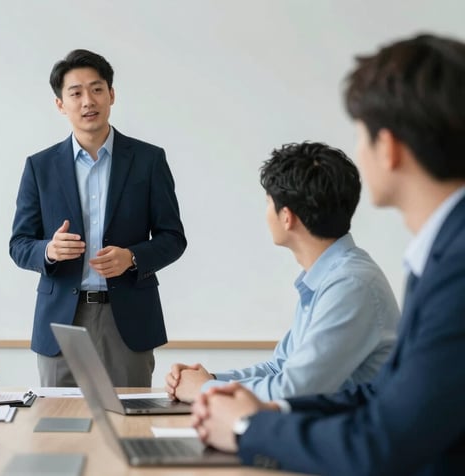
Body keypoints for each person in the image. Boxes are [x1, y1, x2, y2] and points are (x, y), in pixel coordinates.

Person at [191, 33, 465, 474]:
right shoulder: (438, 255)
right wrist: (266, 415)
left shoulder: (453, 266)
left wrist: (248, 428)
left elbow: (383, 441)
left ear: (389, 147)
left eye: (361, 135)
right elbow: (383, 396)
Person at [166, 142, 400, 402]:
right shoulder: (328, 277)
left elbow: (293, 391)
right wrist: (209, 380)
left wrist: (202, 391)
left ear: (287, 217)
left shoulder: (350, 284)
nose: (266, 213)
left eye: (268, 203)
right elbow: (279, 368)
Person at [10, 49, 187, 387]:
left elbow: (173, 238)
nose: (87, 101)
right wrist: (49, 250)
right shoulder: (40, 167)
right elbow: (19, 244)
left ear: (111, 95)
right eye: (75, 93)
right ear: (61, 104)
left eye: (96, 89)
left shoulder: (148, 160)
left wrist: (133, 257)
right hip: (61, 320)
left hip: (128, 319)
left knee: (128, 427)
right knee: (59, 429)